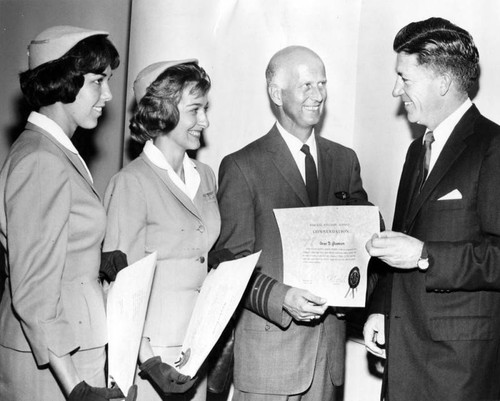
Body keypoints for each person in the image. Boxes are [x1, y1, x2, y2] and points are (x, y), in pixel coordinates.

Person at [215, 45, 370, 401]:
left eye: (323, 84)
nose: (319, 96)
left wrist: (354, 287)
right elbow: (228, 265)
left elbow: (362, 249)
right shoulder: (242, 166)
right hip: (268, 362)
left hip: (327, 361)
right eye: (307, 86)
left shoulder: (345, 161)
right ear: (276, 93)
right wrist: (284, 298)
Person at [363, 17, 500, 401]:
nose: (396, 90)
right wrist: (381, 309)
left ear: (442, 82)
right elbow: (401, 242)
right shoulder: (416, 150)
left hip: (458, 372)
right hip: (404, 357)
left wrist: (425, 255)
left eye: (405, 79)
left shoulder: (492, 147)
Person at [0, 26, 135, 401]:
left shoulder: (50, 150)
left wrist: (92, 261)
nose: (108, 95)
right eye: (98, 81)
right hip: (54, 367)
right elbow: (33, 291)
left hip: (69, 352)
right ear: (64, 82)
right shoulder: (42, 160)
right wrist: (76, 387)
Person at [103, 60, 219, 401]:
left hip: (197, 348)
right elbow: (120, 289)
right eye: (195, 110)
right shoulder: (131, 183)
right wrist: (149, 360)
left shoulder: (206, 175)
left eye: (205, 109)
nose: (205, 121)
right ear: (162, 111)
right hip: (153, 360)